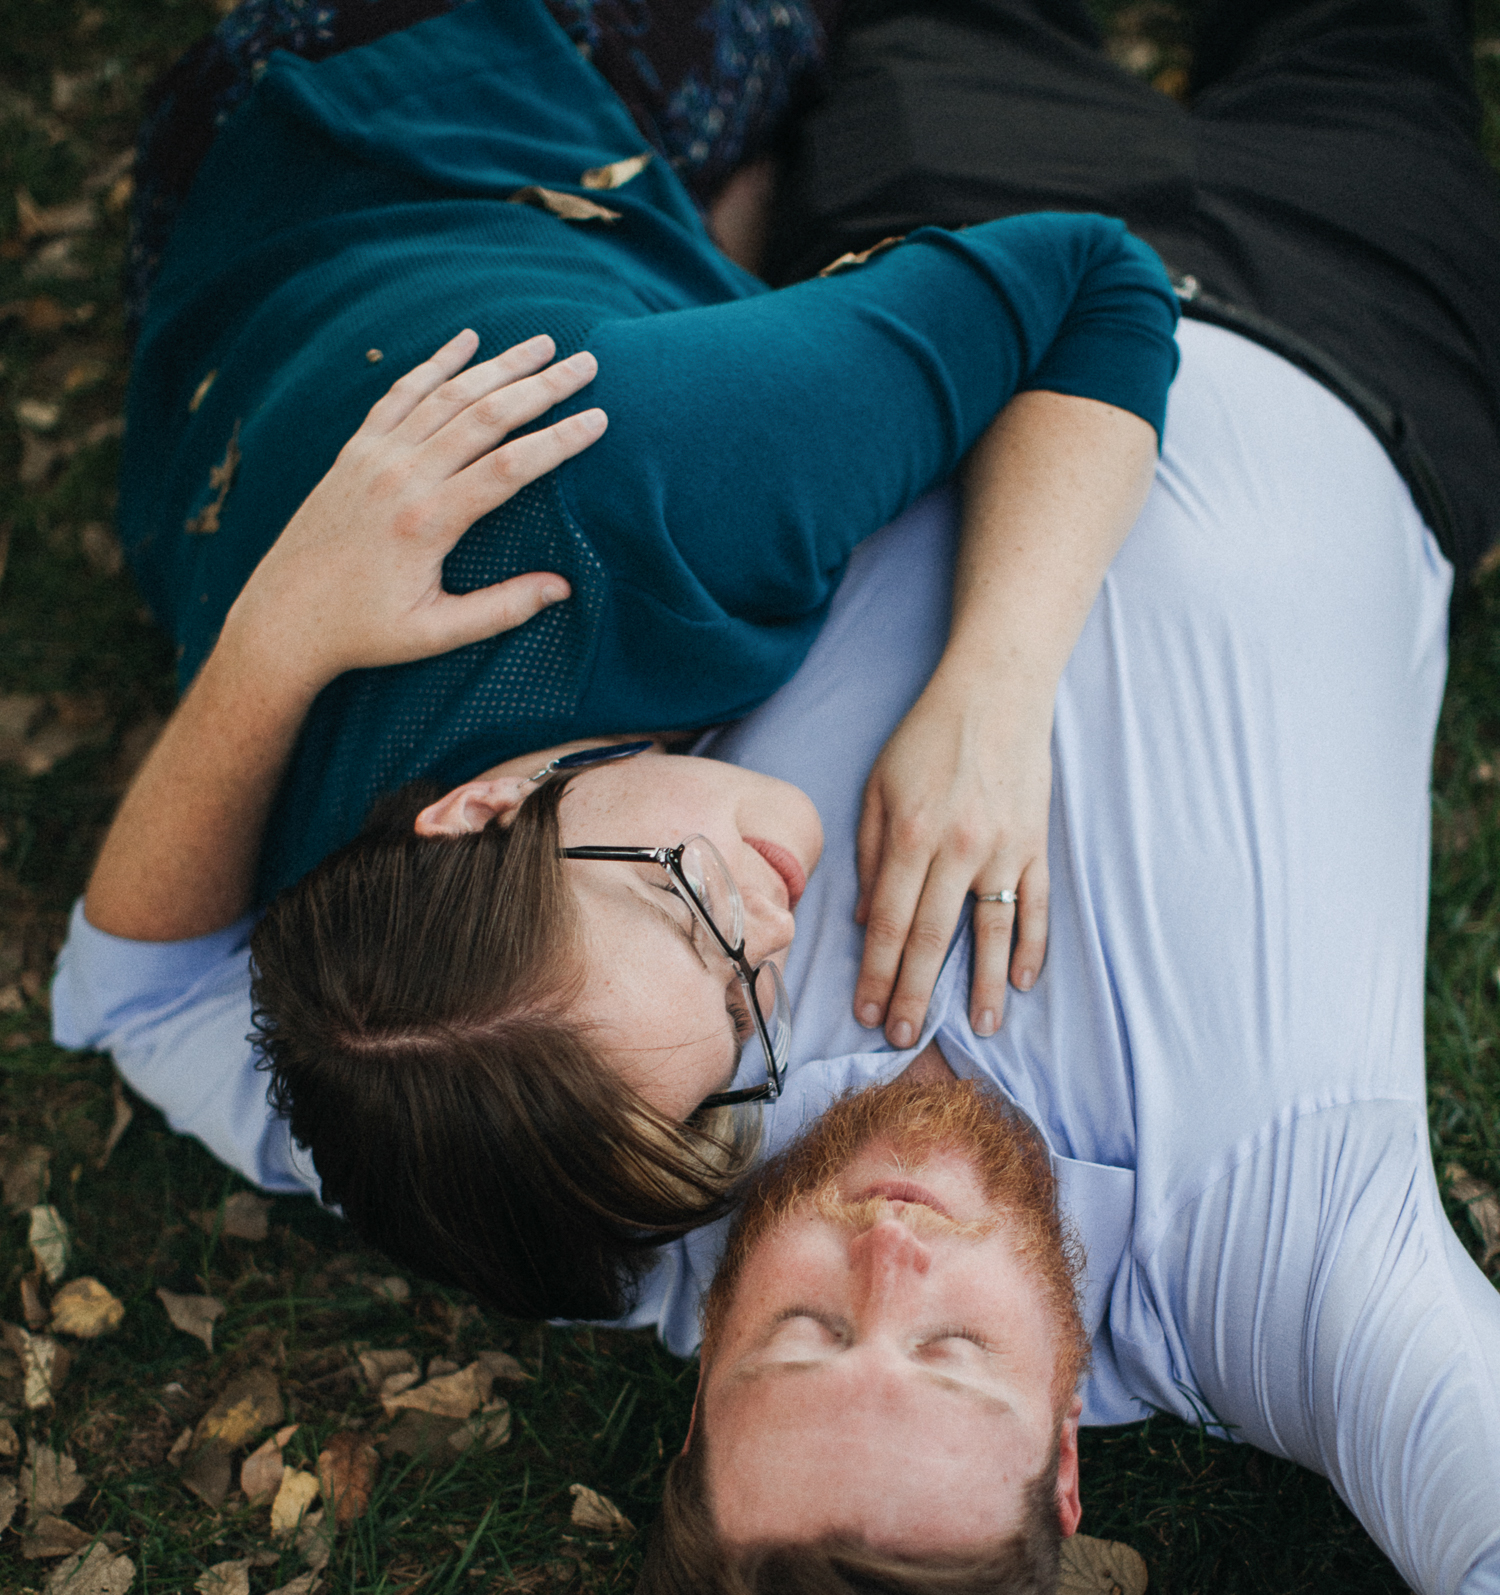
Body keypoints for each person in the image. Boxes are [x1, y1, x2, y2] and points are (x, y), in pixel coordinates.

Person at [626, 0, 1500, 1595]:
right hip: (1359, 318)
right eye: (949, 1355)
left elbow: (163, 1007)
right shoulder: (1283, 1281)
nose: (888, 1252)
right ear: (1065, 1471)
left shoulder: (633, 1152)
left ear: (700, 1377)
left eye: (796, 1335)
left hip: (960, 254)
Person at [53, 0, 1179, 1318]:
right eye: (744, 1017)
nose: (772, 932)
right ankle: (708, 244)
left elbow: (1096, 281)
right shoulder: (393, 1014)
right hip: (239, 318)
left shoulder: (664, 484)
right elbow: (127, 1001)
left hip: (378, 75)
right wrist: (273, 640)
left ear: (477, 809)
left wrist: (997, 686)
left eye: (685, 912)